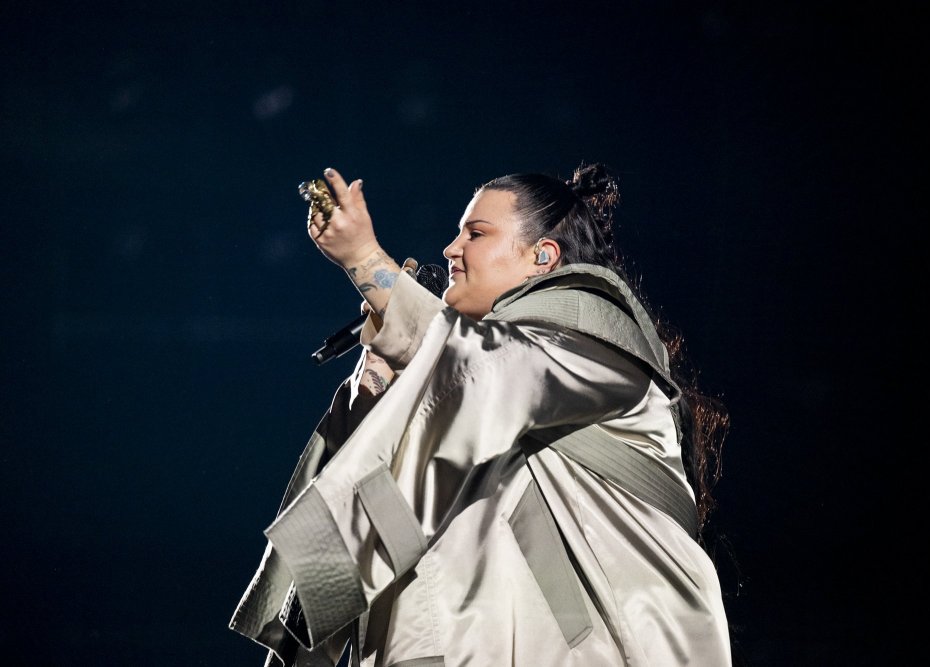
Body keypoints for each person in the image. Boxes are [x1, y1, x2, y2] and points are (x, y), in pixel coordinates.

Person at [230, 163, 732, 666]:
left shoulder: (595, 342)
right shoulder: (464, 371)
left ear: (543, 256)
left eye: (476, 233)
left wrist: (366, 263)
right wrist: (381, 372)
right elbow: (370, 480)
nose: (451, 249)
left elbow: (488, 368)